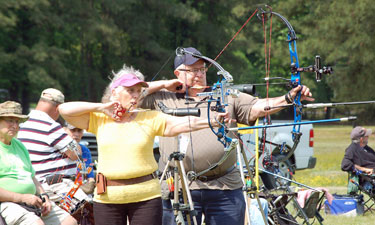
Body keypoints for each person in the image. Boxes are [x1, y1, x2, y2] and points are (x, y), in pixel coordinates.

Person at [140, 47, 314, 225]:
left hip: (224, 186)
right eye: (193, 70)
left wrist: (289, 98)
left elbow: (257, 107)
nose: (199, 74)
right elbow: (127, 96)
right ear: (178, 73)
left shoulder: (225, 96)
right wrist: (163, 84)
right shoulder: (162, 97)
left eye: (202, 69)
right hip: (178, 187)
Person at [58, 65, 230, 225]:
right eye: (130, 90)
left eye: (138, 91)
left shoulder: (150, 117)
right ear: (115, 92)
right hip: (108, 198)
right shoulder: (100, 118)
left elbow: (183, 123)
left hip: (146, 198)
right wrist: (102, 107)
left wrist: (214, 121)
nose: (135, 95)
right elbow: (64, 110)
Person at [0, 101, 77, 225]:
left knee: (70, 222)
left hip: (31, 201)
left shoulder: (19, 145)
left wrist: (44, 196)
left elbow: (31, 176)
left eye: (17, 122)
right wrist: (21, 198)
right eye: (10, 120)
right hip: (7, 203)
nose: (15, 125)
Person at [17, 88, 88, 204]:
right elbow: (76, 154)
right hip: (54, 185)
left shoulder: (23, 124)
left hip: (34, 182)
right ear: (58, 108)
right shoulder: (50, 125)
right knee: (90, 210)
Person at [64, 122, 95, 195]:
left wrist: (91, 185)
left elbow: (90, 176)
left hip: (81, 189)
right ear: (65, 130)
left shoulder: (85, 150)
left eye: (79, 130)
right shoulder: (59, 148)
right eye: (73, 130)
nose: (76, 134)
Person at [341, 126, 375, 192]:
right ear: (362, 139)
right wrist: (364, 169)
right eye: (367, 136)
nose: (368, 137)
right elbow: (345, 165)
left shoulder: (366, 148)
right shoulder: (352, 149)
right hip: (370, 181)